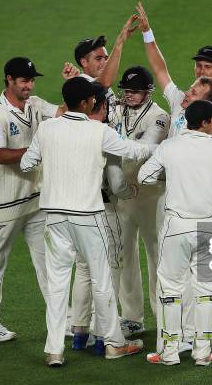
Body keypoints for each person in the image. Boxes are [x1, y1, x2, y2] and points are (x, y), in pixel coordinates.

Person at [20, 77, 156, 366]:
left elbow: (26, 163)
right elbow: (134, 151)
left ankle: (54, 350)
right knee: (102, 281)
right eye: (92, 99)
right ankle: (113, 344)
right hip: (88, 216)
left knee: (57, 286)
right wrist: (162, 149)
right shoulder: (99, 131)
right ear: (86, 103)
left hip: (53, 217)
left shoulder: (46, 128)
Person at [138, 100, 212, 366]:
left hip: (176, 227)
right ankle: (203, 353)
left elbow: (144, 177)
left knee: (170, 290)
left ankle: (169, 353)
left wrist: (171, 176)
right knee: (207, 291)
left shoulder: (169, 147)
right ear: (205, 123)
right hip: (209, 227)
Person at [0, 57, 62, 342]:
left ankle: (60, 318)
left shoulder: (35, 104)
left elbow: (64, 112)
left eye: (32, 80)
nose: (29, 85)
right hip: (5, 202)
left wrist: (80, 82)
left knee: (49, 262)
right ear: (9, 80)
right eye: (24, 80)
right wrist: (35, 150)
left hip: (36, 200)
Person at [69, 82, 138, 354]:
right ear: (100, 105)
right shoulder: (103, 134)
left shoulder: (68, 130)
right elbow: (116, 181)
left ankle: (78, 334)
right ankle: (104, 338)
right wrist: (130, 191)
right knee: (108, 272)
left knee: (84, 271)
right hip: (103, 211)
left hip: (73, 213)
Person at [108, 66, 170, 337]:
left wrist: (110, 140)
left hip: (151, 196)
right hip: (123, 196)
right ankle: (132, 317)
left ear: (148, 91)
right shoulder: (118, 110)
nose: (130, 94)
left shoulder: (159, 117)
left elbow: (146, 146)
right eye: (127, 90)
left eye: (135, 90)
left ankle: (163, 316)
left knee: (157, 254)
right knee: (124, 255)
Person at [135, 2, 212, 139]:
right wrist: (147, 32)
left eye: (208, 66)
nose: (201, 71)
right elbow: (160, 70)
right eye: (198, 65)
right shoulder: (181, 100)